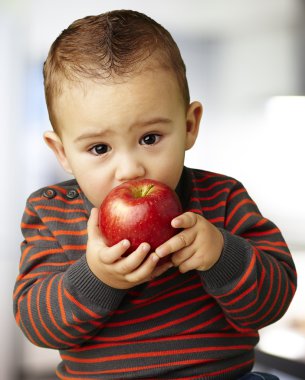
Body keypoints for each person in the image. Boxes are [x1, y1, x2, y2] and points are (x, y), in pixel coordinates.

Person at [13, 9, 296, 380]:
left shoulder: (223, 198)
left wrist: (222, 255)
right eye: (99, 148)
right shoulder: (50, 212)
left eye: (150, 139)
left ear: (189, 125)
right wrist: (97, 277)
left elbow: (272, 303)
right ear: (62, 152)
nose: (130, 170)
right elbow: (38, 325)